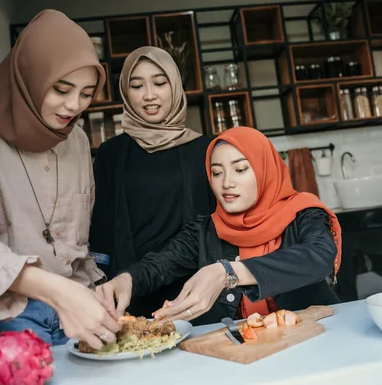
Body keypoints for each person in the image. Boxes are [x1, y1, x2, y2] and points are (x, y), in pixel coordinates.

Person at [0, 9, 120, 354]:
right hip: (7, 311)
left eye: (86, 93)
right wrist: (49, 288)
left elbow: (77, 245)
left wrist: (95, 290)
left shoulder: (78, 141)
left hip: (80, 303)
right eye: (62, 89)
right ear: (29, 77)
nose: (73, 106)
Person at [98, 127, 342, 324]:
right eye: (216, 173)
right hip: (241, 358)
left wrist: (228, 272)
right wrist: (126, 280)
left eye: (240, 169)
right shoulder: (205, 231)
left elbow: (319, 256)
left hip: (315, 343)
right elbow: (159, 265)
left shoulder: (303, 213)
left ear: (265, 170)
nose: (227, 183)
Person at [89, 46, 215, 318]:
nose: (149, 95)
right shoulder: (111, 154)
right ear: (125, 92)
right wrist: (102, 284)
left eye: (160, 83)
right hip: (129, 292)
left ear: (176, 87)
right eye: (137, 86)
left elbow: (217, 223)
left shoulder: (205, 150)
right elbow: (100, 228)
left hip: (194, 289)